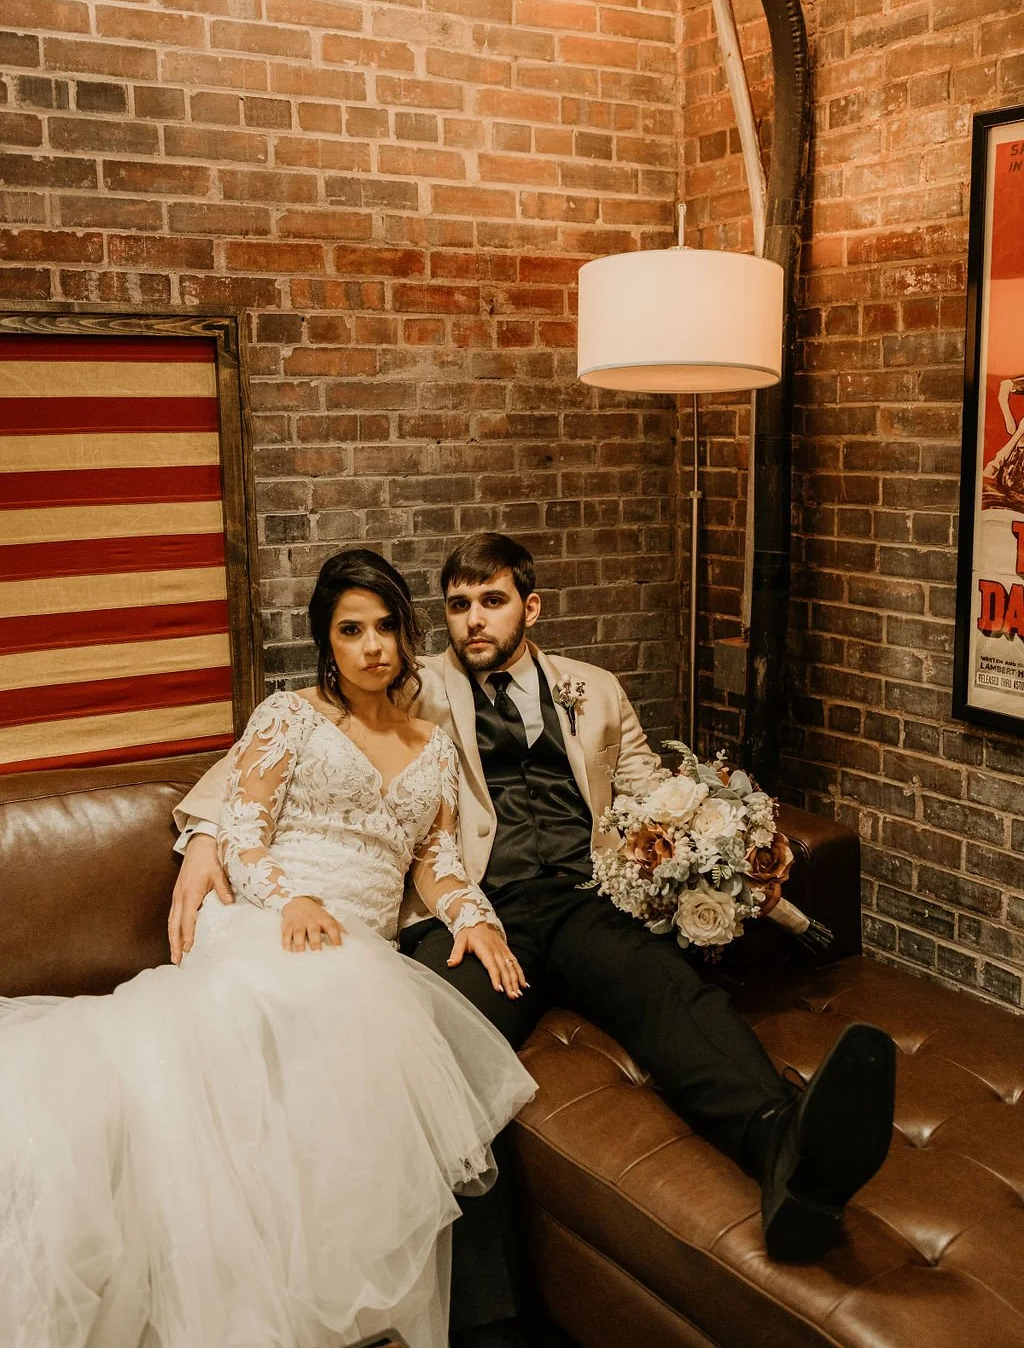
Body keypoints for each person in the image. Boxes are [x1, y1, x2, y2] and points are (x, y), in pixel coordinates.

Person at [173, 534, 897, 1348]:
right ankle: (487, 1318)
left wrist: (732, 842)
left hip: (581, 898)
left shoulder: (595, 689)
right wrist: (204, 837)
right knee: (431, 1051)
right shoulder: (415, 682)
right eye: (457, 605)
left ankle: (785, 1152)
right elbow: (274, 749)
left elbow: (650, 791)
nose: (472, 622)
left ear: (532, 606)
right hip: (478, 908)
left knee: (668, 993)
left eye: (492, 602)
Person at [0, 550, 536, 1348]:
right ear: (326, 639)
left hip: (361, 940)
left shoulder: (432, 744)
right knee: (295, 1018)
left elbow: (436, 860)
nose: (372, 646)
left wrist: (474, 917)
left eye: (387, 626)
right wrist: (292, 899)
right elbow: (243, 839)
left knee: (363, 1014)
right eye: (351, 630)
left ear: (407, 631)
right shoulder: (288, 716)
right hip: (270, 916)